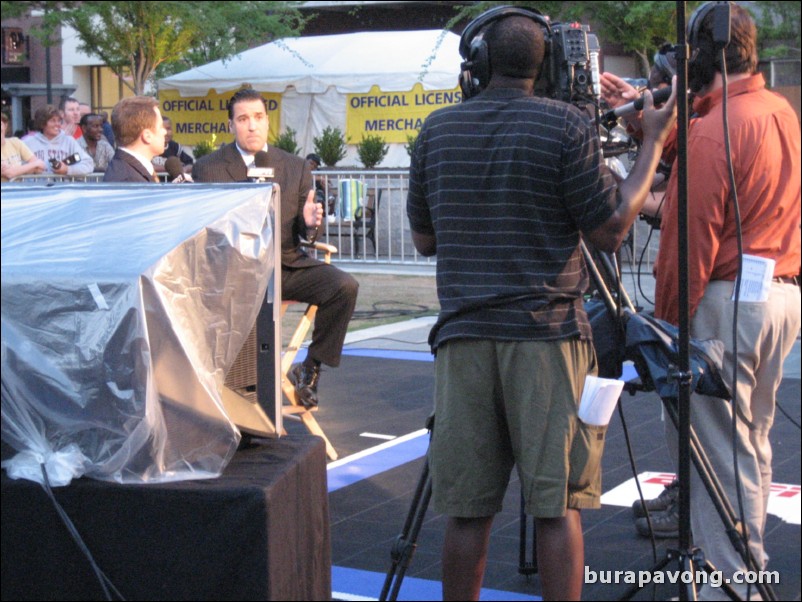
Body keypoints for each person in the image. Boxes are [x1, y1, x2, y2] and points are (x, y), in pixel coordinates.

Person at [406, 8, 677, 601]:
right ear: (547, 64)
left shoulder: (435, 130)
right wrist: (654, 140)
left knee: (467, 511)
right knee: (557, 506)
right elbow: (609, 230)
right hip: (548, 339)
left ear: (476, 64)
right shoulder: (565, 128)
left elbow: (425, 240)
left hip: (463, 339)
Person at [603, 3, 800, 599]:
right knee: (748, 446)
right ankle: (747, 569)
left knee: (715, 458)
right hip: (776, 300)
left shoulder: (718, 129)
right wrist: (650, 122)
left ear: (699, 57)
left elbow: (688, 246)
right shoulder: (776, 110)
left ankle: (728, 587)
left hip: (726, 303)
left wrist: (663, 333)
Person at [193, 88, 358, 409]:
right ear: (231, 125)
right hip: (236, 274)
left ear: (267, 121)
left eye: (257, 118)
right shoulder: (209, 168)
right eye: (243, 119)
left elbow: (307, 231)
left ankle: (309, 368)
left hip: (286, 264)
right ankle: (243, 397)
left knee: (344, 286)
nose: (251, 126)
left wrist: (310, 224)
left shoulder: (296, 167)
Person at [103, 96, 167, 182]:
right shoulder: (127, 179)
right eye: (161, 127)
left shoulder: (128, 169)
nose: (165, 132)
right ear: (147, 136)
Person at [22, 105, 94, 176]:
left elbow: (89, 164)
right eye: (52, 121)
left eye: (59, 121)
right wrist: (33, 169)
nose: (57, 124)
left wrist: (67, 169)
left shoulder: (69, 141)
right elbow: (17, 167)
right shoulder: (28, 142)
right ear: (42, 124)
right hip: (38, 186)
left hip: (62, 186)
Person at [1, 111, 46, 182]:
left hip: (20, 191)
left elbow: (40, 167)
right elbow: (9, 174)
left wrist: (16, 170)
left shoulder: (15, 142)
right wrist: (33, 165)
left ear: (5, 125)